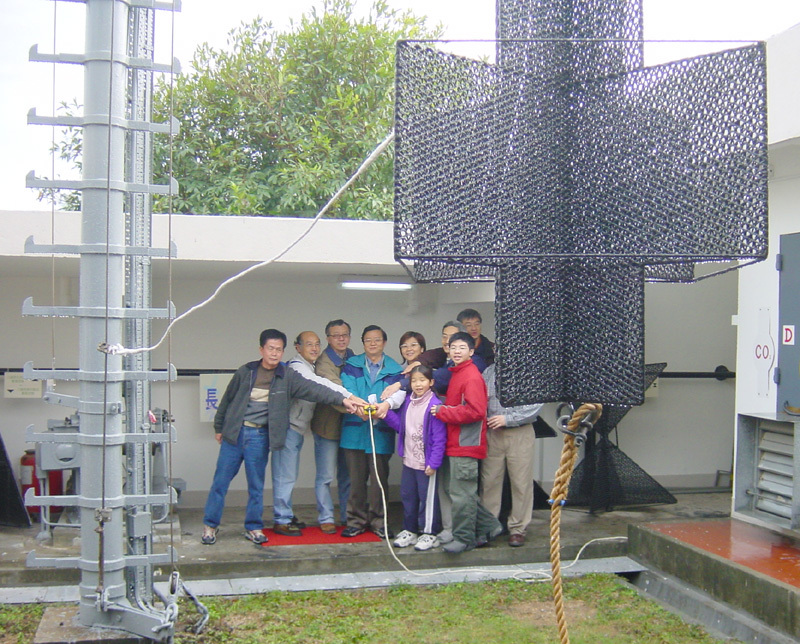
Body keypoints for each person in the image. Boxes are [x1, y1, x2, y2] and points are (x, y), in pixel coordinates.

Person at [201, 328, 360, 545]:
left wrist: (344, 399)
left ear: (284, 351)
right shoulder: (245, 372)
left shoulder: (287, 376)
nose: (274, 354)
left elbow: (316, 388)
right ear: (261, 349)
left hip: (259, 435)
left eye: (278, 350)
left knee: (256, 485)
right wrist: (219, 428)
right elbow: (227, 401)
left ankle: (254, 528)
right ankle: (210, 526)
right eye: (270, 349)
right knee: (220, 482)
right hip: (235, 434)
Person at [271, 331, 358, 536]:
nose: (314, 348)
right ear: (298, 347)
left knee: (288, 474)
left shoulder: (310, 365)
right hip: (288, 428)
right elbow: (319, 385)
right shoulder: (297, 367)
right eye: (309, 344)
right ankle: (282, 520)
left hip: (297, 428)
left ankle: (286, 515)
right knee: (286, 475)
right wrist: (349, 397)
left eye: (317, 344)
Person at [431, 331, 502, 553]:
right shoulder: (458, 373)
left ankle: (464, 539)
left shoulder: (471, 376)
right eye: (453, 347)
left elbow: (475, 411)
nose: (457, 351)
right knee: (463, 493)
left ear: (471, 351)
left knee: (462, 495)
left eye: (462, 347)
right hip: (458, 443)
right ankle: (489, 526)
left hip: (466, 444)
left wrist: (443, 412)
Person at [340, 325, 406, 538]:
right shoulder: (351, 366)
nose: (373, 343)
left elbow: (396, 397)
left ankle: (379, 521)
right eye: (368, 340)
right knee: (356, 479)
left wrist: (380, 408)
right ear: (363, 343)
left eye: (377, 339)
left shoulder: (395, 369)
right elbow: (347, 389)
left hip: (380, 431)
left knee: (379, 480)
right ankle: (355, 520)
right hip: (355, 430)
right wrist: (359, 407)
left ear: (384, 342)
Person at [383, 365, 447, 551]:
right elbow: (401, 427)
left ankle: (429, 533)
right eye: (414, 381)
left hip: (426, 464)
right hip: (409, 461)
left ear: (431, 382)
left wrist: (434, 463)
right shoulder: (409, 403)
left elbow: (439, 438)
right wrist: (385, 412)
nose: (418, 384)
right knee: (408, 496)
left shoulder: (434, 405)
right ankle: (409, 530)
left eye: (422, 380)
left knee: (427, 499)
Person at [480, 362, 543, 547]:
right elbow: (480, 398)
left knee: (521, 483)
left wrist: (507, 419)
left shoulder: (528, 371)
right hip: (493, 433)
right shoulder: (489, 371)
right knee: (489, 481)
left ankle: (518, 529)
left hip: (520, 432)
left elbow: (535, 404)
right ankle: (488, 527)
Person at [310, 319, 355, 529]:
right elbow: (336, 391)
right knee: (326, 475)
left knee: (347, 475)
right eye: (336, 335)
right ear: (328, 338)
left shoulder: (353, 357)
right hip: (327, 426)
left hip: (350, 425)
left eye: (345, 334)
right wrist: (361, 406)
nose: (341, 339)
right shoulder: (323, 363)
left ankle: (347, 515)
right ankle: (326, 517)